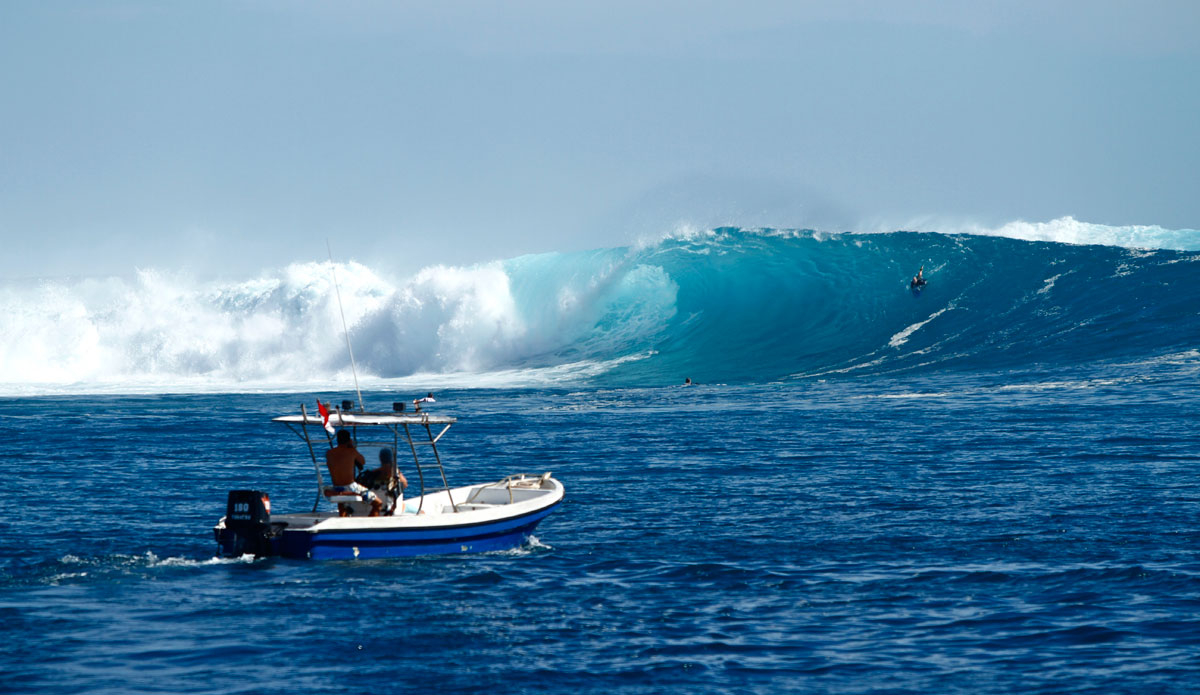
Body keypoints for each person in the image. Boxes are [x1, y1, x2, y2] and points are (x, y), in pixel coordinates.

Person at [325, 430, 381, 517]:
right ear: (349, 440)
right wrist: (352, 447)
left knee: (342, 507)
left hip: (336, 488)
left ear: (338, 440)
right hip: (350, 488)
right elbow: (362, 462)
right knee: (378, 503)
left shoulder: (329, 453)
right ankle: (370, 523)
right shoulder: (351, 451)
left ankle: (343, 520)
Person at [357, 448, 408, 515]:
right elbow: (405, 484)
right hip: (389, 506)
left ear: (380, 459)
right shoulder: (394, 472)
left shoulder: (375, 473)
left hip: (372, 504)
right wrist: (397, 471)